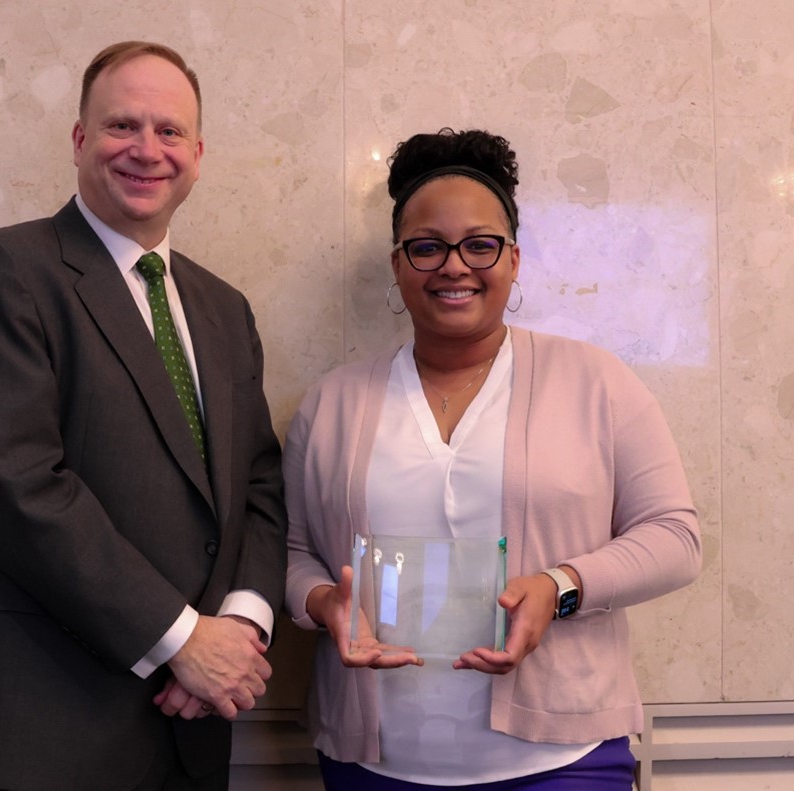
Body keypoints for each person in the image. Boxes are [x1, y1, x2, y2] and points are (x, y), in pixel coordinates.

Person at [284, 128, 702, 789]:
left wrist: (559, 587)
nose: (454, 265)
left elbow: (676, 537)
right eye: (427, 248)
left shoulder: (596, 382)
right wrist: (322, 602)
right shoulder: (333, 404)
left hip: (561, 760)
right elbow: (293, 550)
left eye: (480, 244)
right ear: (397, 264)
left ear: (513, 259)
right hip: (374, 762)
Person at [0, 41, 287, 791]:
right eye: (123, 125)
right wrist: (183, 638)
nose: (146, 150)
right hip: (51, 735)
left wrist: (240, 629)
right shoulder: (5, 273)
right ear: (79, 139)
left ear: (198, 152)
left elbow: (259, 484)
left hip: (192, 727)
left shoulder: (225, 309)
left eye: (169, 132)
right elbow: (15, 486)